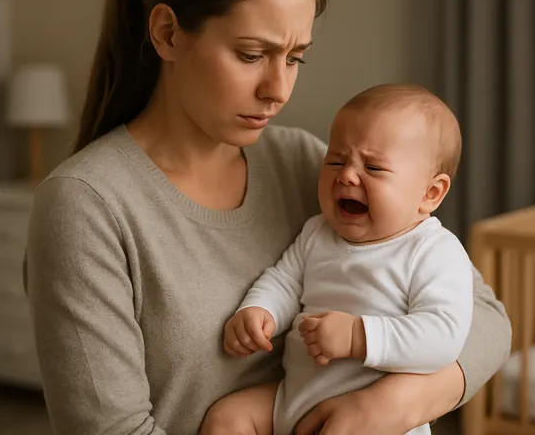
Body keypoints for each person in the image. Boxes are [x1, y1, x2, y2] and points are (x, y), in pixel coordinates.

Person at [23, 0, 512, 434]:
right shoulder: (86, 206)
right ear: (167, 33)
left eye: (295, 57)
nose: (278, 90)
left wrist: (389, 406)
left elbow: (487, 318)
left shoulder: (306, 163)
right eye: (252, 55)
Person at [202, 84, 474, 435]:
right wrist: (260, 311)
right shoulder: (318, 232)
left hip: (373, 420)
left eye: (373, 168)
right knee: (228, 417)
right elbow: (284, 281)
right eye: (335, 160)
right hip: (293, 400)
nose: (347, 174)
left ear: (430, 193)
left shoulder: (433, 251)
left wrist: (358, 337)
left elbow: (443, 336)